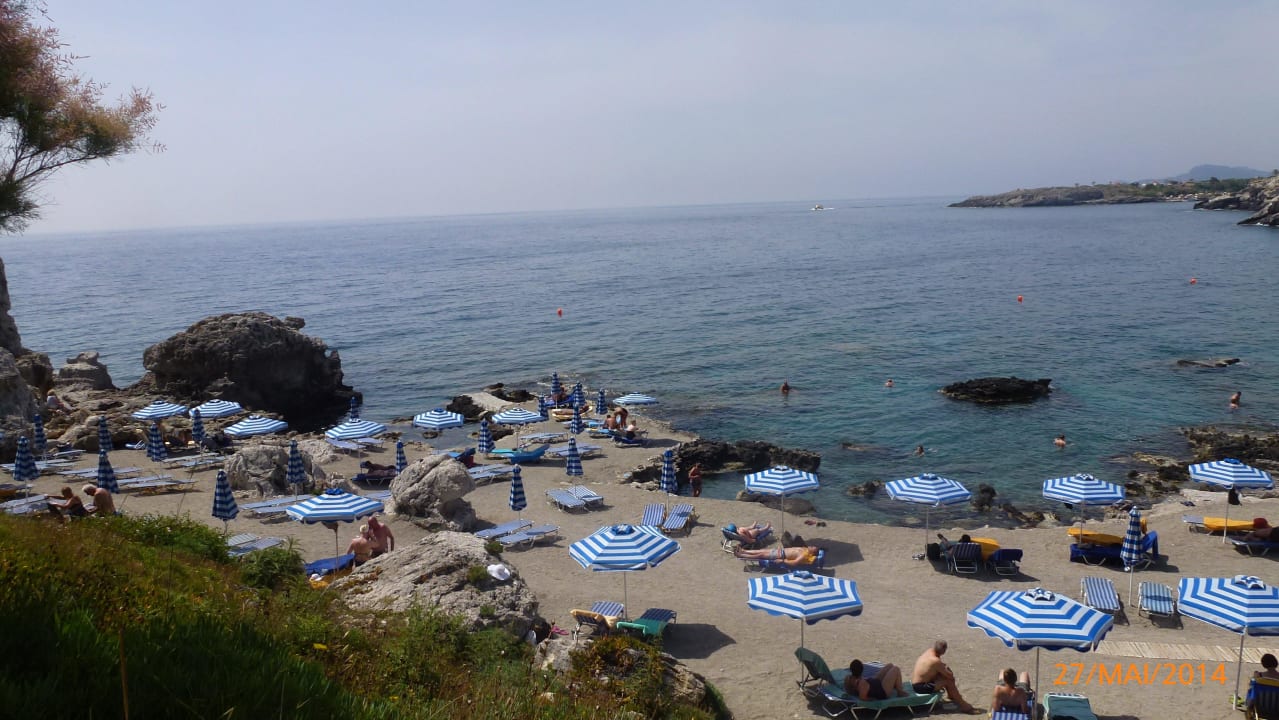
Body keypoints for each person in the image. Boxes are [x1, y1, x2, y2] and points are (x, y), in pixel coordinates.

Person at [912, 640, 978, 714]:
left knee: (945, 677)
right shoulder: (935, 660)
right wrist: (947, 669)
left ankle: (951, 696)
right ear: (944, 651)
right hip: (921, 687)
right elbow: (949, 675)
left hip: (917, 683)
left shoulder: (929, 652)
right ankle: (964, 706)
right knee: (948, 681)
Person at [845, 659, 909, 700]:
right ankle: (900, 691)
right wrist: (874, 699)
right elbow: (863, 698)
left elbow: (849, 691)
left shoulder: (848, 678)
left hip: (874, 684)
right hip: (882, 691)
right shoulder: (861, 683)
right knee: (896, 669)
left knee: (890, 665)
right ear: (862, 670)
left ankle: (894, 683)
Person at [733, 545, 819, 566]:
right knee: (761, 551)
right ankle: (744, 551)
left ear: (812, 553)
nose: (811, 546)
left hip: (780, 555)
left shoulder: (804, 555)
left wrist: (782, 561)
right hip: (780, 551)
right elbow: (791, 549)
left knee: (760, 554)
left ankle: (741, 555)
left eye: (812, 547)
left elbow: (795, 563)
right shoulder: (804, 549)